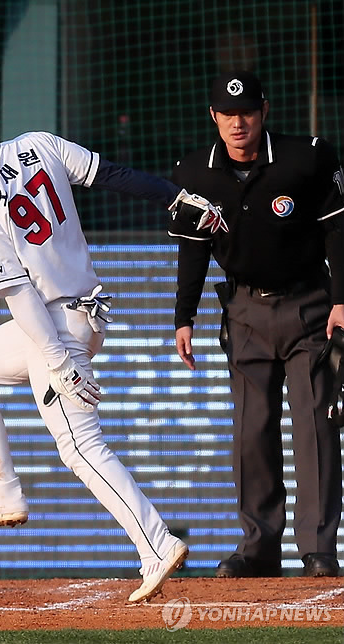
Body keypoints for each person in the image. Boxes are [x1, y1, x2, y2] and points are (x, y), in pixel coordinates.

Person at [0, 94, 222, 602]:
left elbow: (19, 294)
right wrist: (172, 195)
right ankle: (2, 489)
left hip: (55, 325)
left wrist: (58, 360)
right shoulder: (37, 144)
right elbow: (112, 174)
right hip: (82, 311)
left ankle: (157, 545)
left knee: (81, 446)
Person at [168, 70, 344, 578]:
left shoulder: (306, 156)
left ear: (263, 111)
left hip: (309, 305)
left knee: (314, 425)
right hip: (243, 311)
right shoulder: (195, 173)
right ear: (214, 118)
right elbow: (192, 250)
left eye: (246, 112)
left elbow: (338, 231)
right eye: (227, 114)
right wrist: (185, 316)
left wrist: (341, 300)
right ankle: (259, 546)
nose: (237, 122)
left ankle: (318, 549)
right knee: (252, 431)